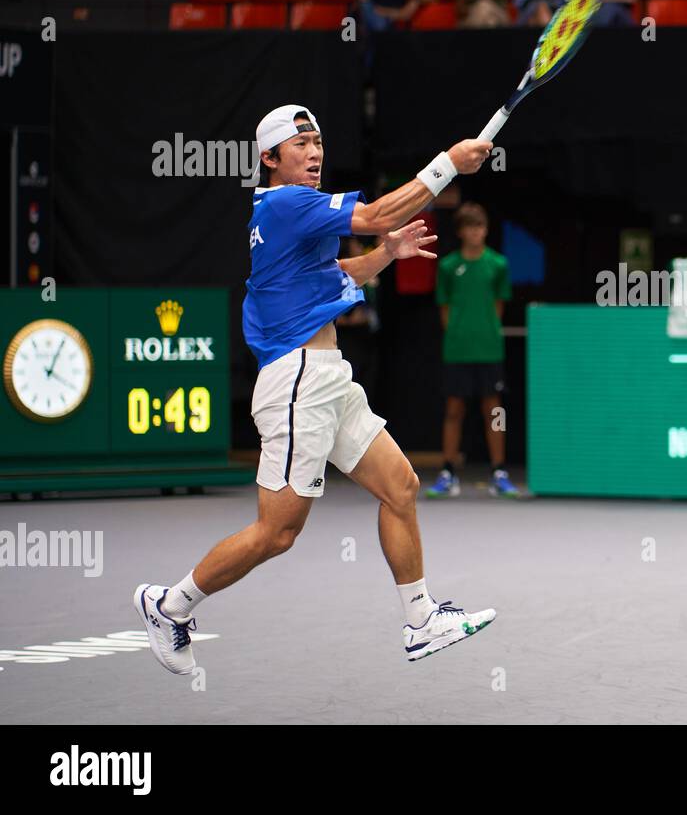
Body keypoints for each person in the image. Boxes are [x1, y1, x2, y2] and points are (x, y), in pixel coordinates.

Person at [133, 105, 496, 674]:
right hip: (298, 379)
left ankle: (421, 621)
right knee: (277, 532)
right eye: (300, 142)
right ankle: (168, 605)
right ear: (270, 159)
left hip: (328, 376)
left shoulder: (289, 216)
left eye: (319, 140)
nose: (315, 151)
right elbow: (376, 213)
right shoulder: (285, 202)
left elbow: (336, 275)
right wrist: (449, 162)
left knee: (400, 486)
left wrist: (387, 254)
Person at [427, 202, 519, 499]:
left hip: (489, 349)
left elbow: (498, 306)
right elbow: (444, 309)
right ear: (461, 232)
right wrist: (458, 335)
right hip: (457, 350)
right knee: (454, 410)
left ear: (486, 230)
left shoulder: (498, 264)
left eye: (479, 226)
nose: (475, 232)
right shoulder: (448, 267)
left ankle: (499, 472)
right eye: (469, 227)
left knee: (493, 410)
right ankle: (448, 473)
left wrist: (484, 332)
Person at [334, 236, 380, 395]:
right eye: (356, 245)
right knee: (349, 386)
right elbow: (338, 313)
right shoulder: (339, 274)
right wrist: (351, 319)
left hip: (367, 337)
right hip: (347, 339)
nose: (360, 248)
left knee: (367, 386)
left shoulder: (367, 276)